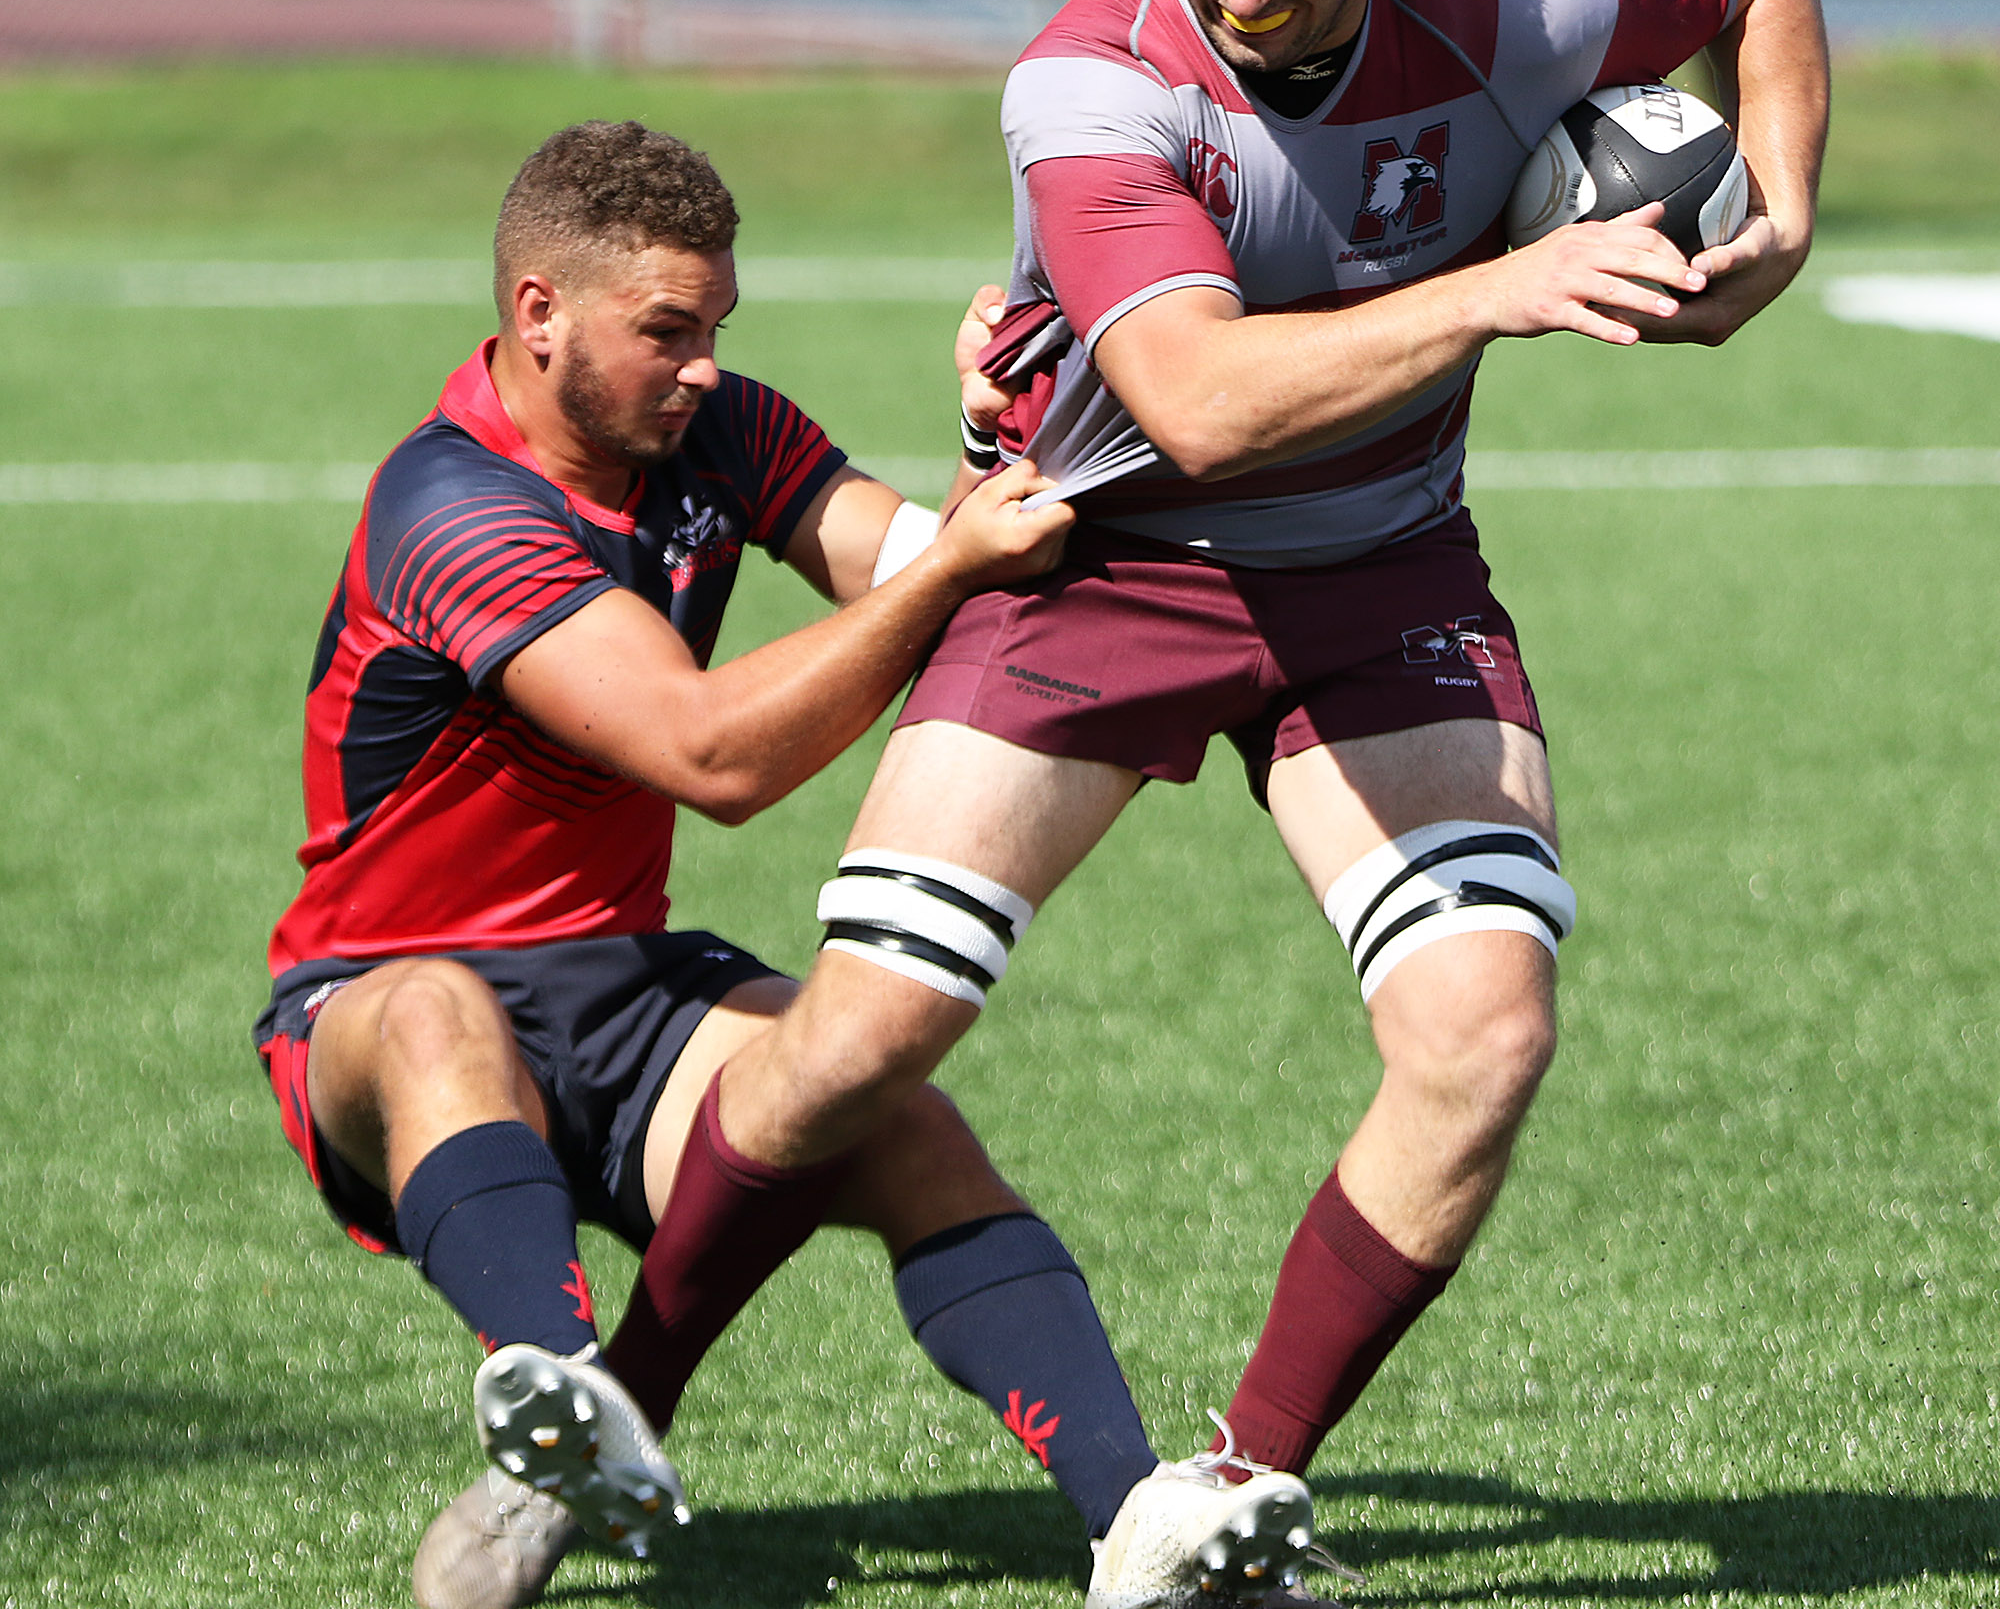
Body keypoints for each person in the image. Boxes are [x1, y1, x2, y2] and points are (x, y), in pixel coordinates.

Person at [611, 0, 1829, 1559]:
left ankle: (1226, 1498)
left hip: (1382, 569)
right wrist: (1495, 293)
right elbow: (1196, 403)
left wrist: (1785, 217)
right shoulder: (1091, 79)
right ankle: (628, 1404)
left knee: (1487, 1035)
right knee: (864, 1033)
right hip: (1102, 557)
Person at [252, 121, 1318, 1609]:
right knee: (443, 1014)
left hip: (618, 993)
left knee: (896, 1117)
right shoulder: (453, 510)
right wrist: (951, 567)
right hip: (371, 1008)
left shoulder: (719, 433)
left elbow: (918, 568)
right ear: (539, 315)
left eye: (716, 329)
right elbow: (713, 757)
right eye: (665, 332)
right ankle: (555, 1393)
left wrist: (1000, 450)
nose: (701, 365)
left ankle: (1139, 1528)